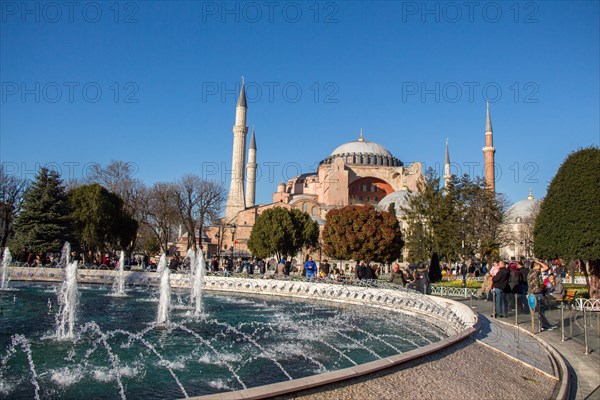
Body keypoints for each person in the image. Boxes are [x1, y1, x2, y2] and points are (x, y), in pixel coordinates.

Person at [528, 259, 551, 330]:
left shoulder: (530, 272)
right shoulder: (536, 271)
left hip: (531, 292)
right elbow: (546, 267)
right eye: (539, 265)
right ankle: (544, 325)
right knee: (542, 308)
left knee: (538, 309)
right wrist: (539, 262)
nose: (540, 266)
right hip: (537, 292)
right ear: (537, 265)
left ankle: (543, 324)